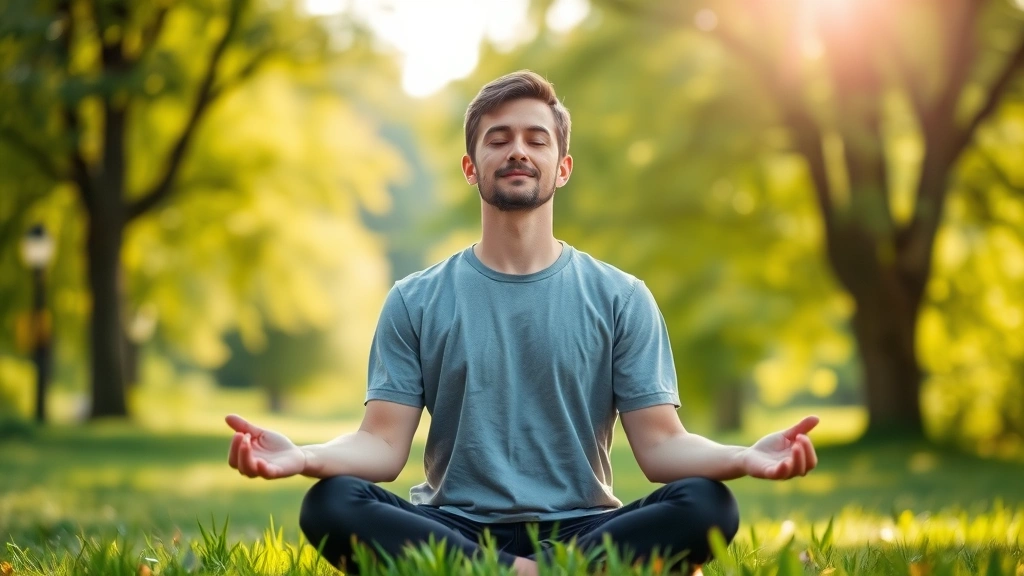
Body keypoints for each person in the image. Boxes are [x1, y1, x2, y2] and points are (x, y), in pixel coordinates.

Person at [226, 70, 819, 575]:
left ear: (561, 167)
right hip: (454, 528)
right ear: (470, 165)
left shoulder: (621, 296)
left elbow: (661, 447)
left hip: (585, 528)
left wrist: (743, 458)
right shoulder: (415, 300)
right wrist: (302, 457)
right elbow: (381, 446)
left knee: (707, 506)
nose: (518, 150)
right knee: (329, 504)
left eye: (536, 139)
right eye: (498, 138)